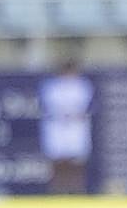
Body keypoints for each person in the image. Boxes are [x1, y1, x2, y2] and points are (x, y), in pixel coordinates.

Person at [39, 58, 94, 195]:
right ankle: (57, 190)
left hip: (76, 126)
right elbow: (46, 106)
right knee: (57, 160)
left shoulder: (82, 85)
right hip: (57, 125)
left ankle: (77, 190)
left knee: (77, 160)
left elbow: (88, 106)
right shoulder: (52, 86)